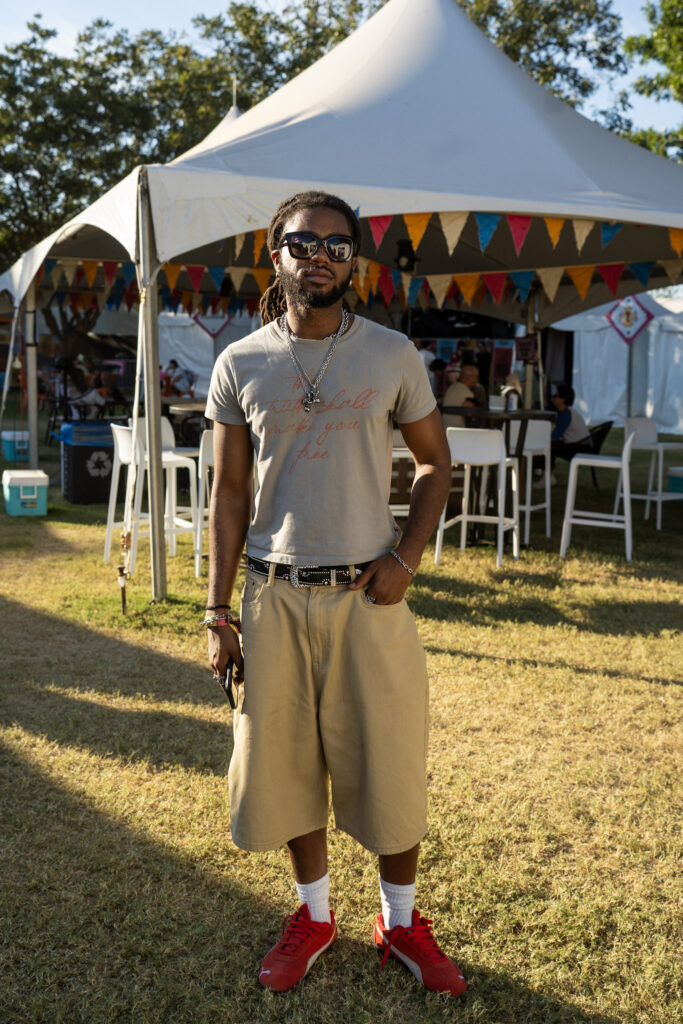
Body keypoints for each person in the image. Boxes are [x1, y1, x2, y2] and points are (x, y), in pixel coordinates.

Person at [204, 190, 467, 998]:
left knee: (389, 760)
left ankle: (400, 921)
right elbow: (227, 495)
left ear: (354, 260)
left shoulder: (390, 354)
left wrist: (407, 558)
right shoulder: (240, 362)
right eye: (301, 242)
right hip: (272, 595)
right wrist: (215, 611)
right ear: (274, 253)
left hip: (368, 596)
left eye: (335, 245)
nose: (318, 255)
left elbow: (434, 464)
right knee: (284, 764)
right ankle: (314, 916)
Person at [551, 383, 590, 464]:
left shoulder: (566, 415)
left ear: (562, 399)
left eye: (555, 396)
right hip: (583, 446)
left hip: (579, 448)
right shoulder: (569, 412)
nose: (553, 397)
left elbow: (554, 437)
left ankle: (544, 469)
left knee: (548, 444)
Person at [441, 362, 485, 428]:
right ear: (470, 377)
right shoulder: (467, 394)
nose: (477, 380)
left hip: (446, 429)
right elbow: (472, 418)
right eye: (477, 377)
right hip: (458, 430)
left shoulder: (451, 388)